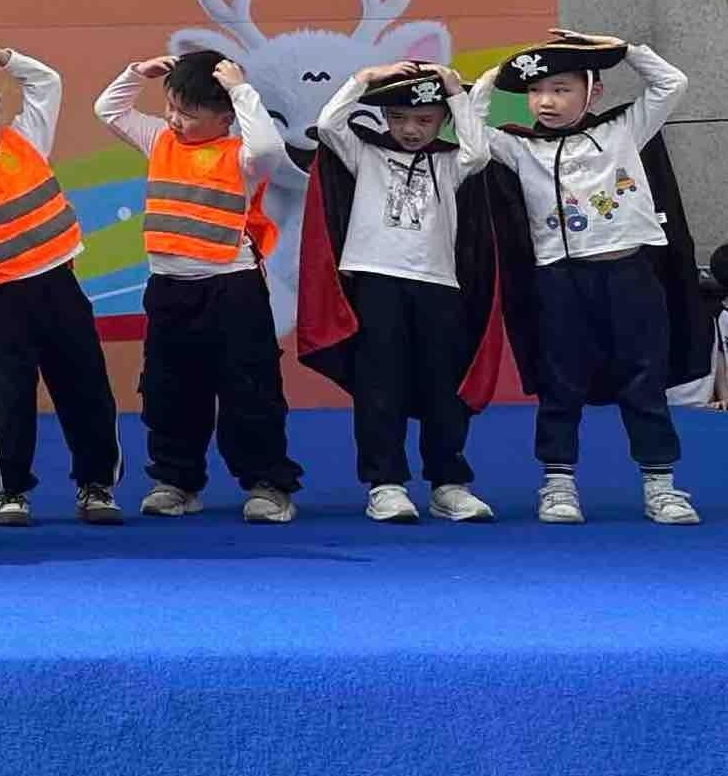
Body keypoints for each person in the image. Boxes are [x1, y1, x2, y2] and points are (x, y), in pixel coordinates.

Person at [479, 32, 701, 524]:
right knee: (560, 381)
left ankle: (661, 486)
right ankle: (558, 484)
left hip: (628, 273)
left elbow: (672, 84)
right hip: (559, 280)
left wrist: (623, 49)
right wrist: (497, 78)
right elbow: (472, 134)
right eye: (535, 90)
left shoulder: (625, 129)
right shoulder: (519, 147)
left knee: (644, 378)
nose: (546, 101)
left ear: (592, 92)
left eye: (560, 89)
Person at [96, 51, 304, 521]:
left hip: (233, 289)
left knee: (249, 391)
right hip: (170, 290)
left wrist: (240, 89)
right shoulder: (158, 140)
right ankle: (176, 481)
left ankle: (267, 485)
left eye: (188, 113)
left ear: (225, 116)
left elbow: (270, 150)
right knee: (168, 390)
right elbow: (109, 110)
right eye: (171, 106)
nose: (174, 119)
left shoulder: (244, 156)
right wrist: (136, 72)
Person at [296, 63, 505, 523]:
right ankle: (385, 484)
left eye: (425, 120)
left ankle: (448, 484)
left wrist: (455, 91)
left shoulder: (452, 162)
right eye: (398, 118)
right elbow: (329, 124)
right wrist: (364, 78)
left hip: (440, 285)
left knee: (444, 388)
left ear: (443, 120)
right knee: (379, 386)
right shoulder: (363, 153)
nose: (411, 129)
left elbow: (478, 151)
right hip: (376, 283)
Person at [0, 46, 126, 527]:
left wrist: (2, 56)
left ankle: (96, 485)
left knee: (87, 388)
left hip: (59, 284)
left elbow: (46, 82)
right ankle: (9, 491)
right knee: (7, 398)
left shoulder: (28, 139)